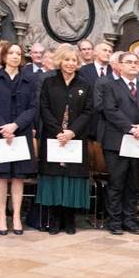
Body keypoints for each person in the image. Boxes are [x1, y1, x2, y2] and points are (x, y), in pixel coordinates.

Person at [100, 51, 139, 235]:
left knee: (133, 183)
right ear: (119, 66)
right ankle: (115, 221)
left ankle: (130, 220)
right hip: (117, 140)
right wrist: (130, 128)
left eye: (136, 62)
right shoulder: (110, 86)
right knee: (117, 183)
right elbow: (110, 110)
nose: (133, 65)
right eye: (129, 62)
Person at [36, 44, 93, 234]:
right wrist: (57, 131)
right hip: (53, 138)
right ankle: (54, 218)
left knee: (72, 178)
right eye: (67, 59)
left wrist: (71, 132)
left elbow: (88, 112)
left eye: (74, 60)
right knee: (54, 177)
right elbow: (43, 108)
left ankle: (69, 219)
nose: (70, 63)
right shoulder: (48, 83)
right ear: (60, 61)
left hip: (75, 139)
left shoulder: (84, 85)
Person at [0, 42, 39, 235]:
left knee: (18, 177)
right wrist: (4, 127)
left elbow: (33, 108)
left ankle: (16, 216)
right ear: (4, 56)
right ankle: (1, 216)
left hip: (21, 132)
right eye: (11, 53)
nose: (15, 56)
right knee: (0, 176)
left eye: (18, 53)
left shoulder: (29, 80)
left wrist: (15, 125)